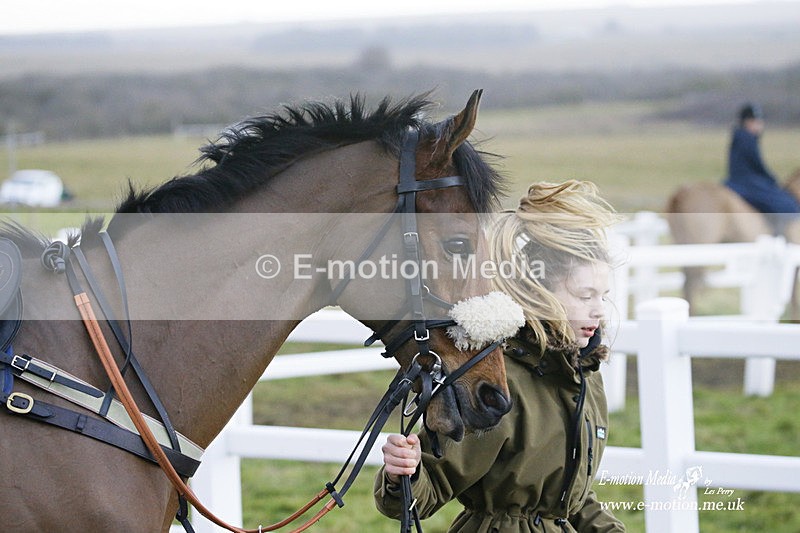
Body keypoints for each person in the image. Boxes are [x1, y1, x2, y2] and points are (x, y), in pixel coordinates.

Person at [374, 181, 625, 532]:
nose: (599, 310)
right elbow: (426, 490)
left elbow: (568, 500)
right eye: (585, 296)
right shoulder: (498, 382)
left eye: (603, 296)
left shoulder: (586, 379)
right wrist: (404, 471)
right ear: (539, 292)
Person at [724, 102, 800, 234]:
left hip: (740, 180)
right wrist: (772, 179)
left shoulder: (740, 136)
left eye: (759, 122)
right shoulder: (747, 138)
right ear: (746, 122)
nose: (759, 125)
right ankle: (780, 233)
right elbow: (758, 165)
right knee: (786, 204)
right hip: (747, 183)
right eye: (755, 122)